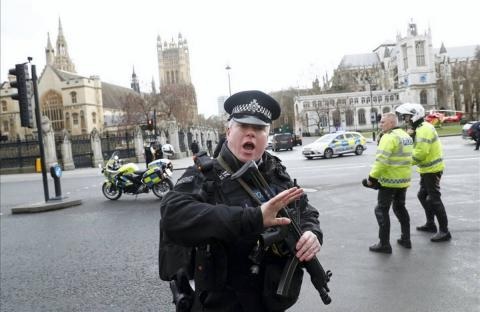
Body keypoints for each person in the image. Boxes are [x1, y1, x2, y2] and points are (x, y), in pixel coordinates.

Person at [159, 90, 323, 311]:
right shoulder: (206, 175)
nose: (250, 134)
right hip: (222, 302)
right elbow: (172, 214)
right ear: (228, 131)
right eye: (243, 127)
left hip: (268, 299)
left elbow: (305, 209)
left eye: (258, 129)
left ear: (267, 135)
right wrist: (254, 218)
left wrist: (312, 233)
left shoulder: (275, 171)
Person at [396, 103, 452, 242]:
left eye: (407, 116)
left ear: (415, 115)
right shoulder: (419, 128)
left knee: (434, 199)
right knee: (422, 195)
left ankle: (444, 231)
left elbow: (420, 153)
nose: (405, 119)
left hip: (432, 169)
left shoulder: (424, 129)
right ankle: (431, 224)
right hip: (426, 169)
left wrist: (404, 163)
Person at [364, 113, 413, 254]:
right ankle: (406, 239)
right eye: (380, 122)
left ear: (392, 123)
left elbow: (381, 161)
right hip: (403, 181)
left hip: (389, 182)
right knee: (400, 208)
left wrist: (372, 179)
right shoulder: (406, 136)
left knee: (381, 210)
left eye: (383, 122)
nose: (381, 124)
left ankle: (384, 244)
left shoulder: (389, 137)